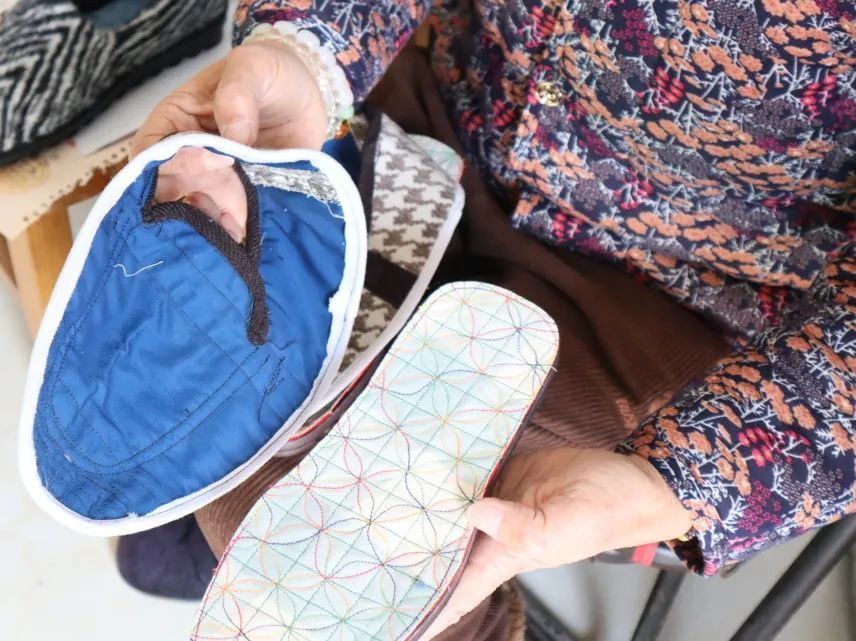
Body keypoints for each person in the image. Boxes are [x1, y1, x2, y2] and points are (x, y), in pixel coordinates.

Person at [126, 1, 855, 638]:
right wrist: (307, 46)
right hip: (442, 114)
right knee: (195, 395)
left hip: (670, 289)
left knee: (342, 571)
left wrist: (677, 480)